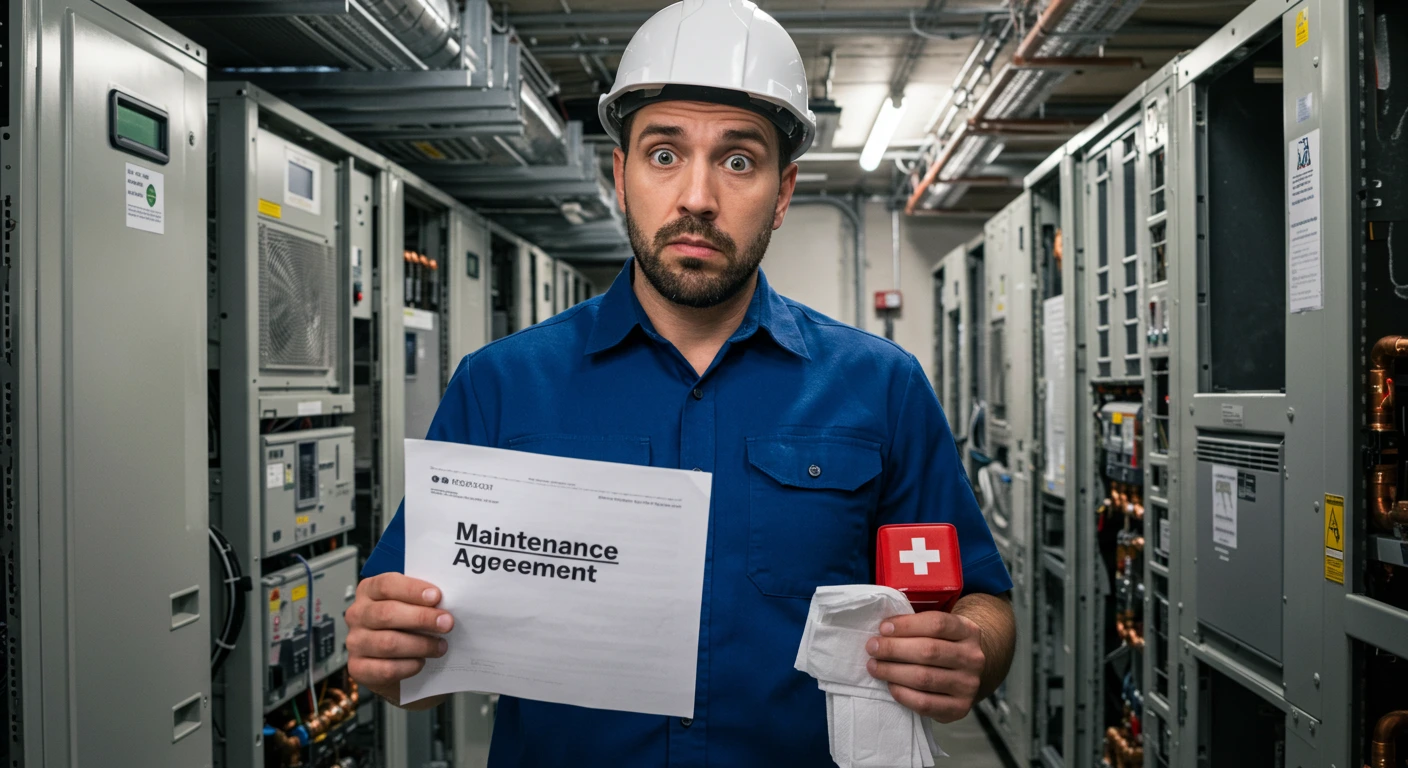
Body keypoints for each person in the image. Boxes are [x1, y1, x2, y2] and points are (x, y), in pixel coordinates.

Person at [345, 0, 1015, 764]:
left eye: (738, 160)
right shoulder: (500, 387)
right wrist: (385, 648)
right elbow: (408, 668)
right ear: (621, 178)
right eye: (664, 154)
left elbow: (984, 603)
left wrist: (969, 650)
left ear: (784, 192)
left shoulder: (880, 386)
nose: (698, 197)